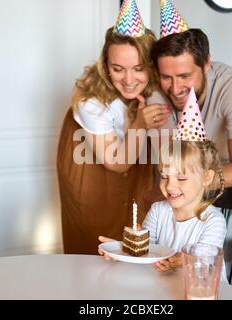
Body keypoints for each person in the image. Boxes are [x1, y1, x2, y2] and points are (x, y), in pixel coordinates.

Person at [138, 0, 232, 214]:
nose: (175, 88)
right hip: (168, 206)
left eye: (185, 75)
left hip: (208, 206)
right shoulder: (156, 92)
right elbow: (173, 171)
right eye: (167, 77)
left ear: (206, 64)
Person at [57, 0, 172, 254]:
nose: (129, 80)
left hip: (132, 162)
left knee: (134, 232)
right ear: (106, 66)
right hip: (91, 165)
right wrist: (141, 123)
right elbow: (117, 162)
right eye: (118, 69)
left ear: (151, 66)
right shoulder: (91, 101)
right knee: (94, 240)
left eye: (138, 69)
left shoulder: (158, 86)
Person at [99, 88, 227, 277]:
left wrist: (180, 261)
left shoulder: (212, 221)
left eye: (181, 178)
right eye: (164, 176)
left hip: (201, 292)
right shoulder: (159, 211)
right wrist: (120, 250)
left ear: (206, 178)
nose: (170, 185)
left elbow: (204, 262)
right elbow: (145, 250)